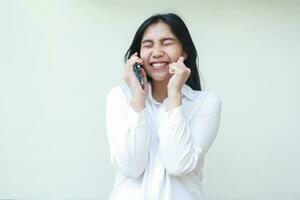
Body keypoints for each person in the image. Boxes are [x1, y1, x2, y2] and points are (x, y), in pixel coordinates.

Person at [106, 13, 222, 200]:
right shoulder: (119, 97)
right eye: (148, 45)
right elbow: (131, 167)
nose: (157, 52)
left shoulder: (206, 103)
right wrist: (138, 98)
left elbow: (178, 164)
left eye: (167, 42)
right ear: (138, 55)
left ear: (184, 51)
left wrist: (174, 95)